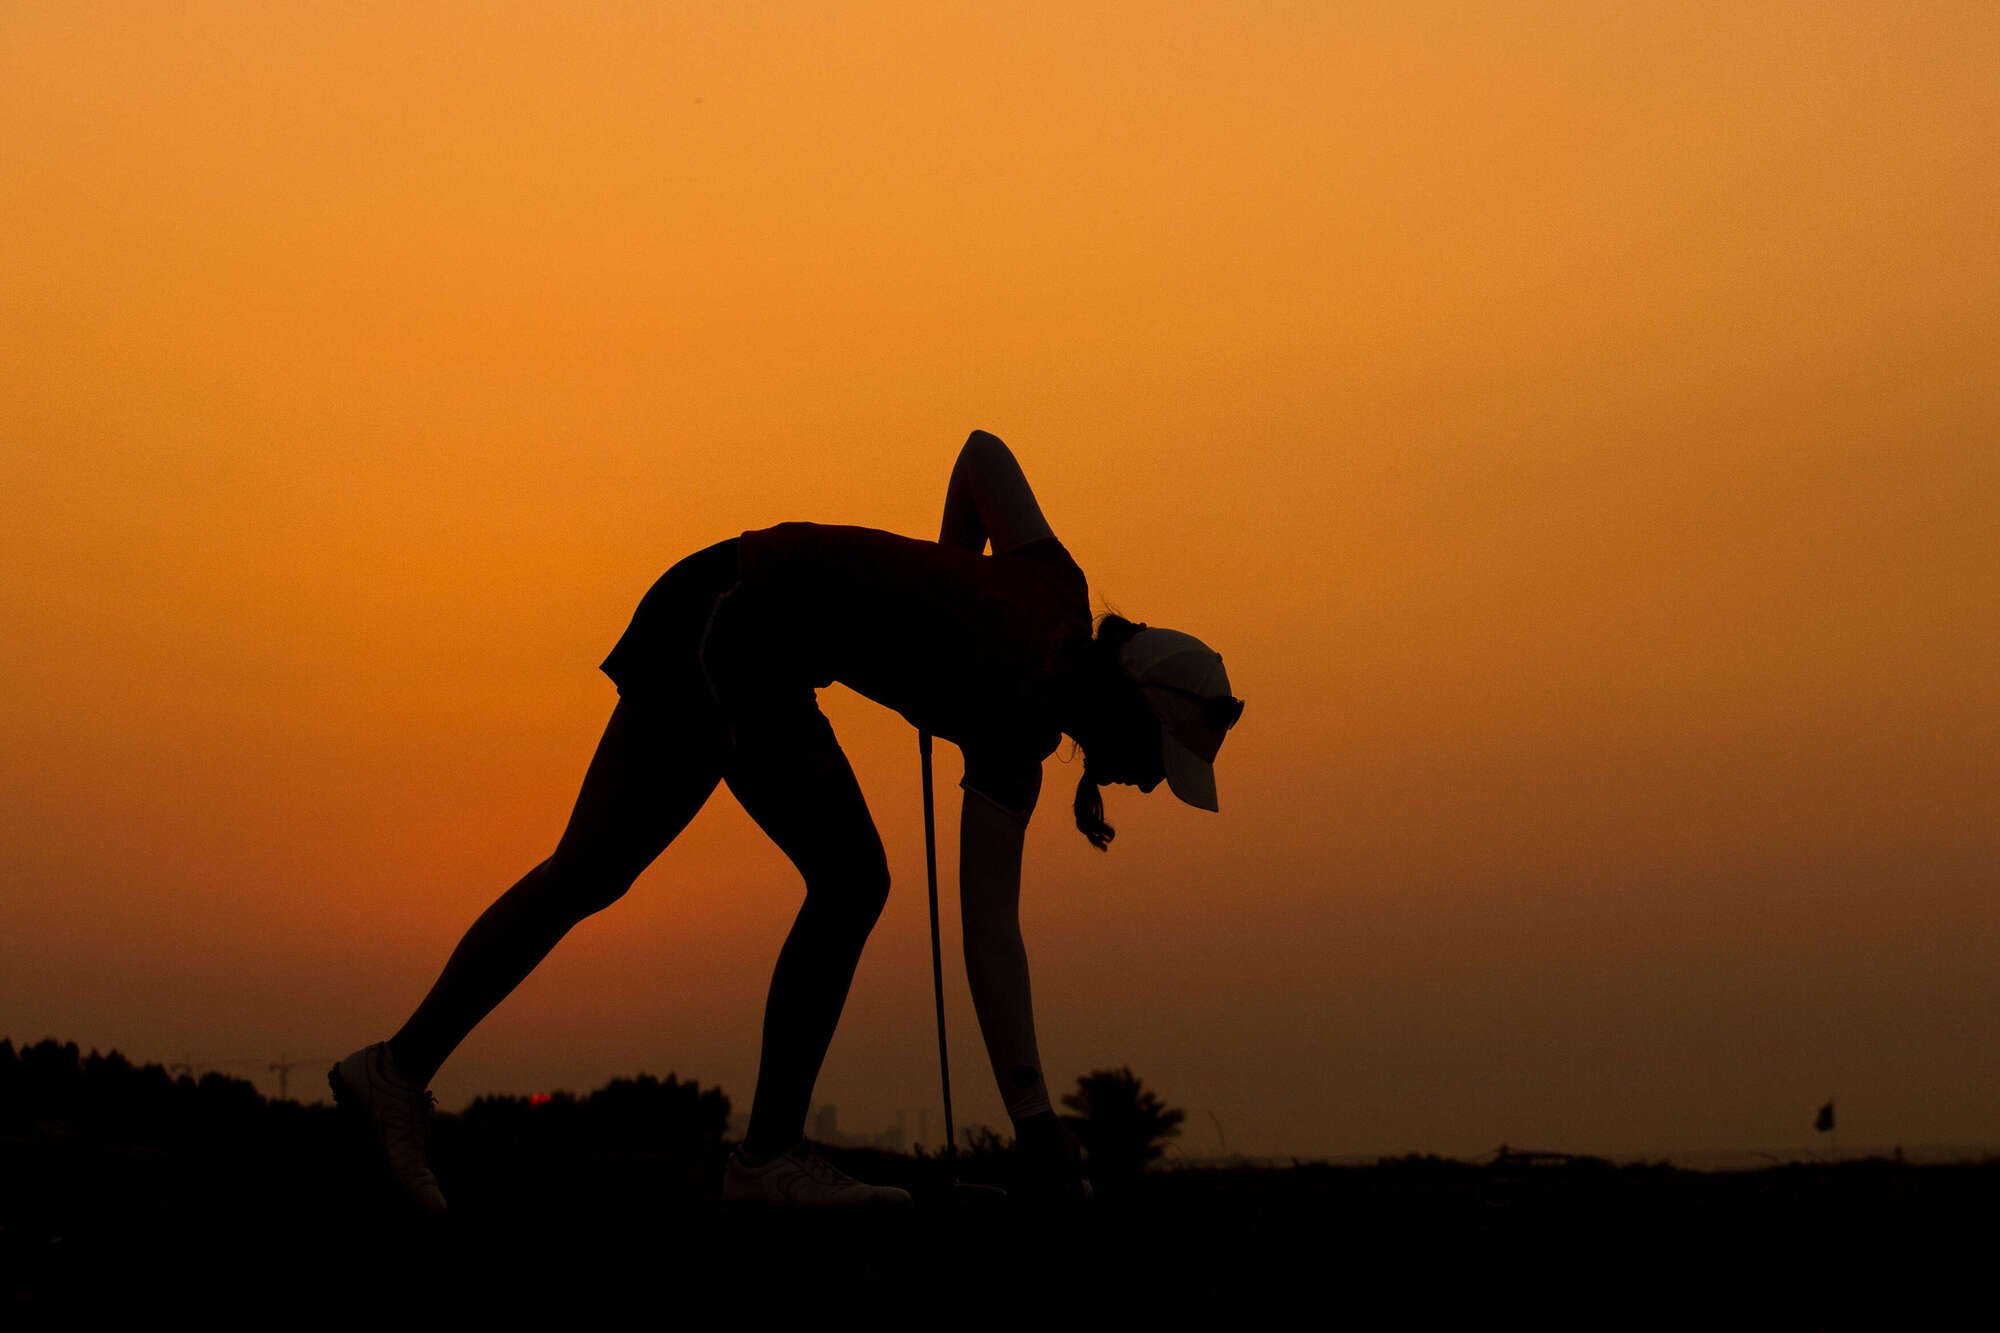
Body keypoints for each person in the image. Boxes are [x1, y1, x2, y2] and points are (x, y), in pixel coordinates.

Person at [330, 431, 1243, 1209]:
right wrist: (1037, 1128)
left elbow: (991, 932)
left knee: (591, 870)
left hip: (708, 599)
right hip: (733, 622)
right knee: (850, 880)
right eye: (1157, 760)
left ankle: (395, 1070)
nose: (1149, 784)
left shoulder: (1050, 610)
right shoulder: (1022, 701)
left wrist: (949, 575)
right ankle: (766, 1157)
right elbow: (980, 452)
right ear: (1132, 702)